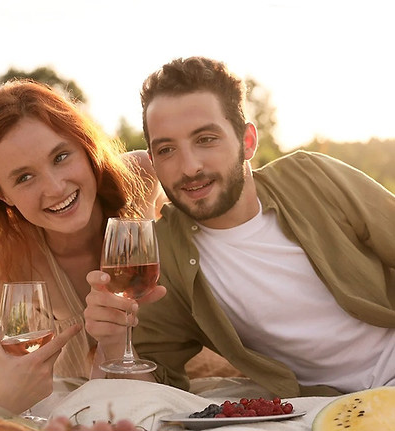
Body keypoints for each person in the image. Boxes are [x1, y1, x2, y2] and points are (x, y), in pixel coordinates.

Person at [85, 56, 395, 398]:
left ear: (247, 141)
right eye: (167, 149)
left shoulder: (312, 177)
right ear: (154, 160)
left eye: (205, 139)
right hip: (330, 408)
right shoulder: (162, 258)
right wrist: (114, 341)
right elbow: (153, 392)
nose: (189, 167)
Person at [0, 79, 166, 414]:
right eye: (24, 178)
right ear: (3, 195)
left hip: (194, 386)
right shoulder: (10, 263)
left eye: (61, 156)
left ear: (85, 145)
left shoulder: (141, 178)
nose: (55, 188)